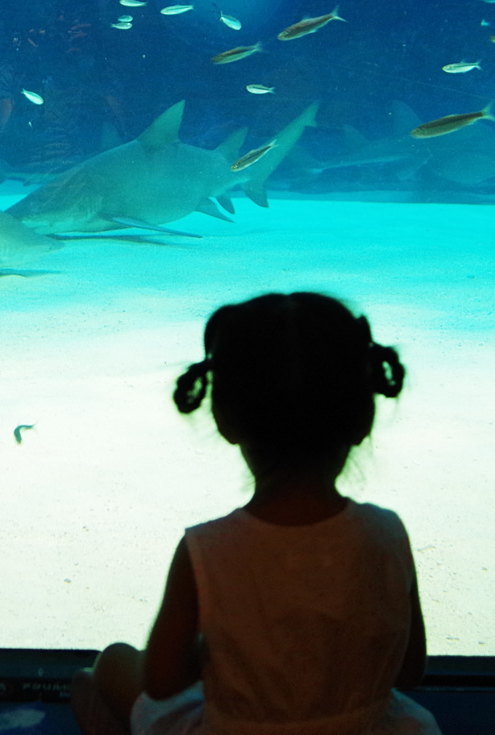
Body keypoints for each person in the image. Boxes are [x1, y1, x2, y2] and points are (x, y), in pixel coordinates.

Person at [72, 293, 441, 735]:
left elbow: (163, 680)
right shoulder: (387, 533)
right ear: (362, 417)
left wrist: (228, 649)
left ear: (226, 418)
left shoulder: (206, 551)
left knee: (110, 664)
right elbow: (409, 670)